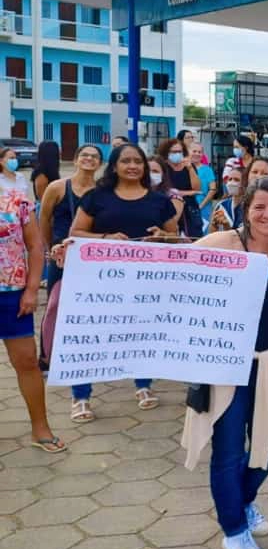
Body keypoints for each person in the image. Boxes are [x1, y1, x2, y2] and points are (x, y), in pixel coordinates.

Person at [181, 176, 268, 549]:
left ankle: (244, 501)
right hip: (226, 366)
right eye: (259, 206)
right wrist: (80, 252)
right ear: (245, 209)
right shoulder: (223, 243)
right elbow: (167, 266)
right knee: (230, 452)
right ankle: (233, 530)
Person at [68, 143, 179, 414]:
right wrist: (106, 239)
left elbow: (176, 238)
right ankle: (81, 396)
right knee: (92, 335)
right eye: (126, 161)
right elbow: (77, 232)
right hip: (101, 283)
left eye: (137, 161)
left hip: (145, 282)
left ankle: (144, 385)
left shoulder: (160, 201)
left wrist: (162, 237)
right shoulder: (96, 197)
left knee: (142, 333)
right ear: (114, 166)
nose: (132, 166)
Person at [1, 178, 64, 452]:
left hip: (11, 293)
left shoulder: (16, 200)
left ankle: (40, 428)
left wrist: (31, 289)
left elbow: (35, 247)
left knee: (27, 360)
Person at [40, 144, 103, 296]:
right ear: (75, 160)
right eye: (84, 155)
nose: (89, 158)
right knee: (57, 301)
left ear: (100, 163)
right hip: (61, 254)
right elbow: (44, 219)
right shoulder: (56, 187)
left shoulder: (102, 191)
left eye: (94, 156)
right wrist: (48, 248)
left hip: (91, 255)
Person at [158, 137, 203, 238]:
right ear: (167, 153)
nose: (177, 154)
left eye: (180, 151)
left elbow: (197, 188)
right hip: (170, 208)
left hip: (190, 209)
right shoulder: (163, 167)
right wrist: (186, 193)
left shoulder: (189, 166)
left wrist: (190, 168)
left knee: (194, 238)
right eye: (174, 152)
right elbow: (164, 189)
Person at [211, 167, 246, 232]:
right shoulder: (221, 205)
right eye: (230, 179)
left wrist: (227, 226)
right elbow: (212, 234)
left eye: (236, 180)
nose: (231, 183)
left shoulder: (250, 206)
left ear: (245, 183)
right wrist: (214, 224)